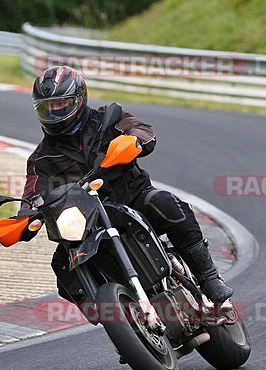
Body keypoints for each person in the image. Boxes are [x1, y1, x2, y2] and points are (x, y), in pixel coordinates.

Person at [19, 65, 233, 306]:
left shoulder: (107, 118)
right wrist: (23, 218)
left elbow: (143, 131)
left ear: (79, 99)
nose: (55, 111)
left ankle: (209, 278)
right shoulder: (41, 159)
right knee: (61, 264)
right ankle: (118, 316)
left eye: (61, 104)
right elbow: (33, 193)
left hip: (133, 198)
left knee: (166, 203)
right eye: (47, 107)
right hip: (88, 221)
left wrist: (134, 141)